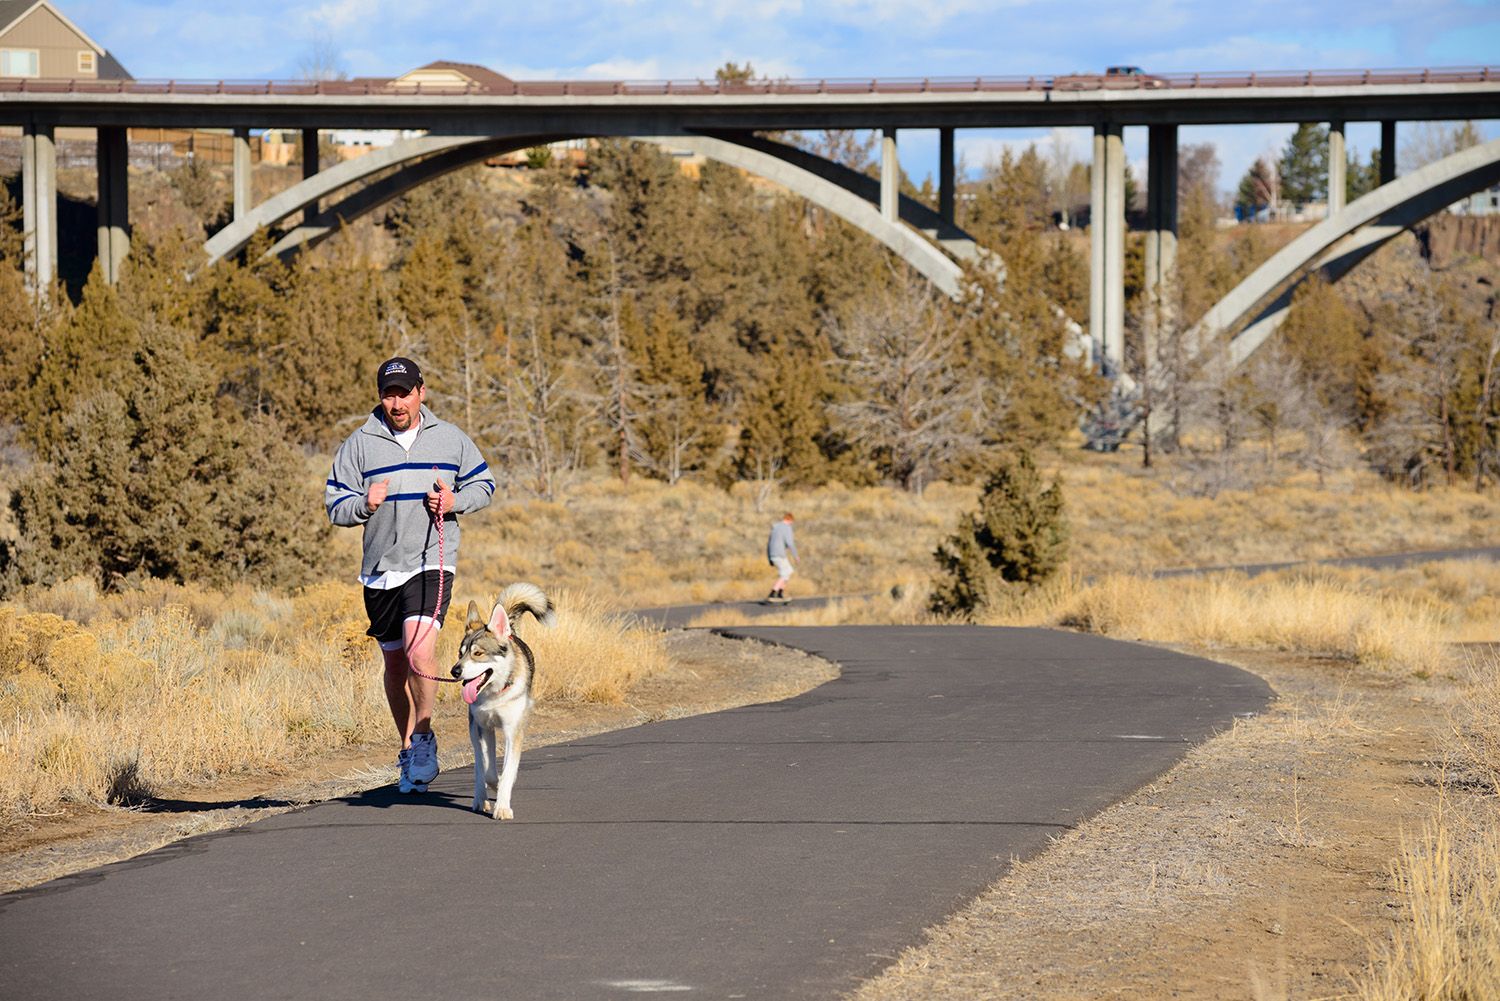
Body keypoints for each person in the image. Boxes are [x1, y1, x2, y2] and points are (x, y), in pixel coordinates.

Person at [325, 357, 496, 793]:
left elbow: (485, 485)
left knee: (420, 653)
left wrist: (455, 502)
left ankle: (422, 738)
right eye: (389, 395)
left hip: (431, 561)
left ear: (422, 392)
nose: (397, 403)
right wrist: (364, 504)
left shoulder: (450, 438)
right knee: (396, 663)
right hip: (380, 570)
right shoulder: (360, 444)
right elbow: (335, 505)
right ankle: (407, 749)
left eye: (404, 394)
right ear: (380, 397)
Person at [766, 511, 799, 601]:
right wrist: (796, 556)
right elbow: (790, 543)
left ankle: (780, 593)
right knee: (785, 573)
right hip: (780, 554)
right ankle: (773, 593)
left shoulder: (775, 528)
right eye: (792, 522)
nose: (792, 524)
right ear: (790, 520)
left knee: (789, 570)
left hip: (773, 554)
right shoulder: (786, 528)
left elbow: (769, 544)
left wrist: (769, 558)